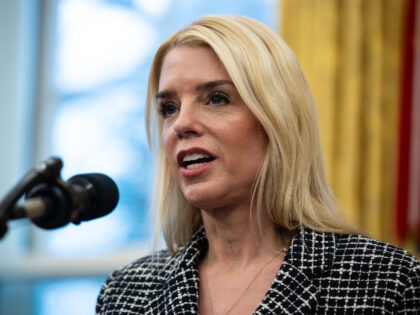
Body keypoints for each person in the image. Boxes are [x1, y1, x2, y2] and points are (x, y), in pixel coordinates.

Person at [96, 15, 420, 314]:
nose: (182, 124)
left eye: (216, 99)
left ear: (276, 120)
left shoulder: (387, 284)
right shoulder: (125, 293)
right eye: (169, 108)